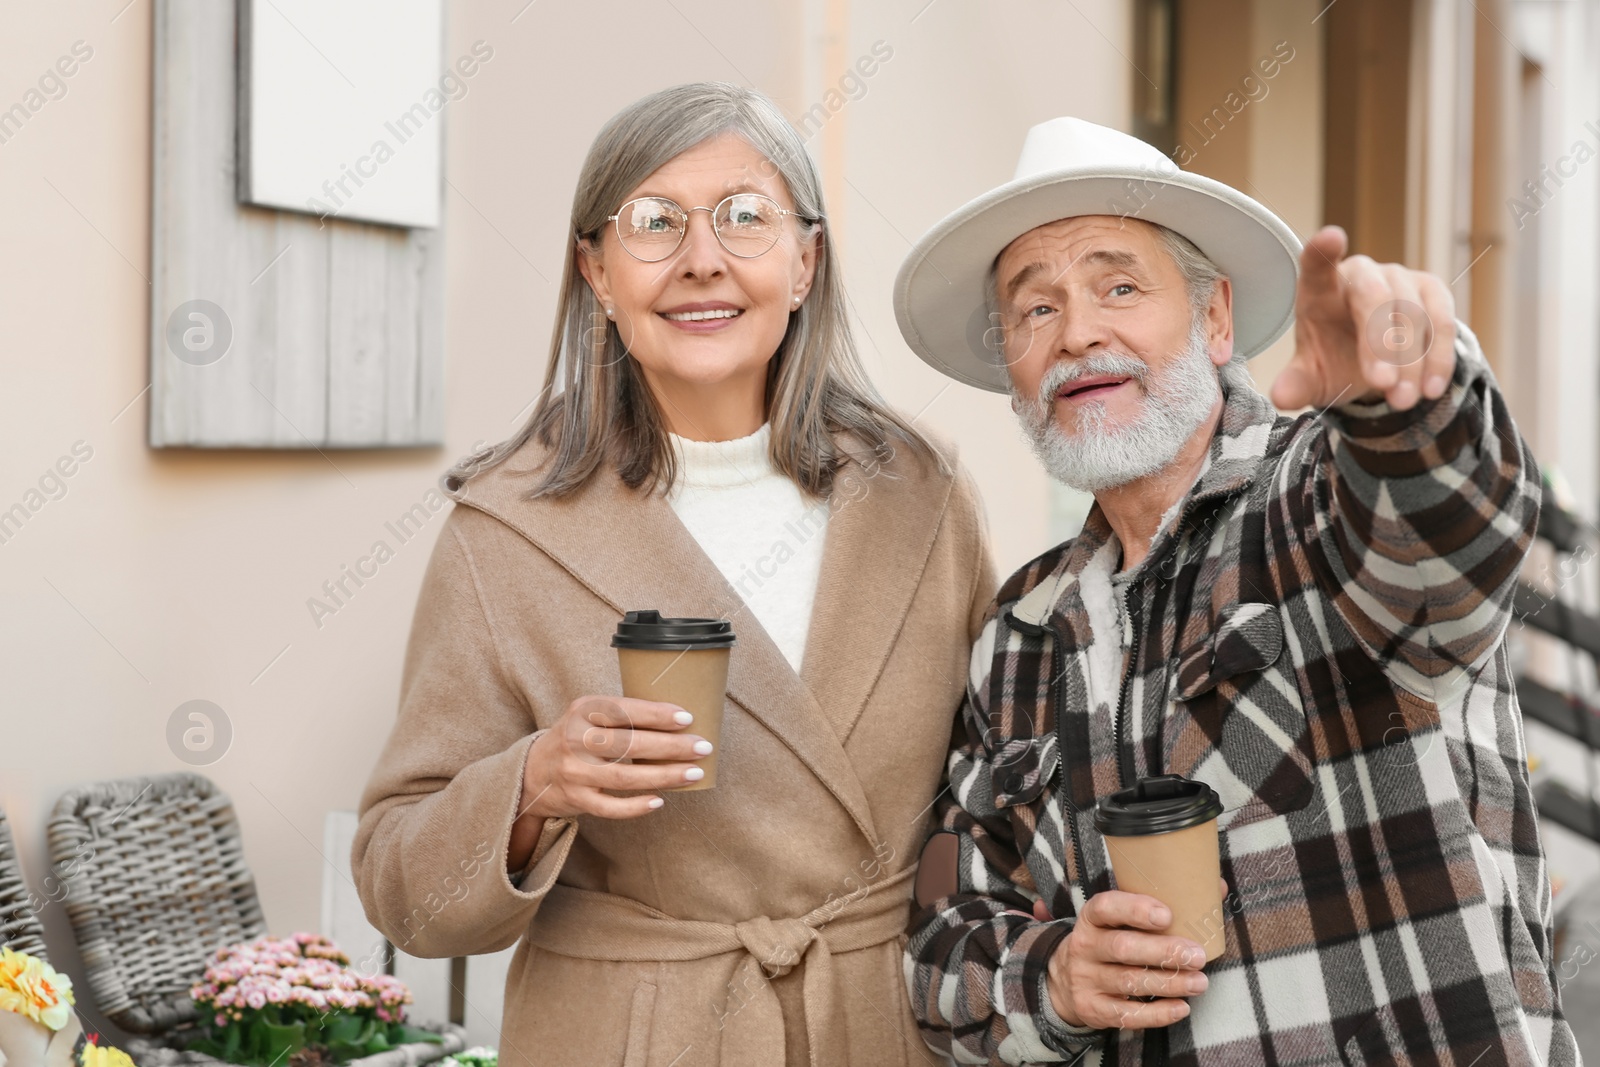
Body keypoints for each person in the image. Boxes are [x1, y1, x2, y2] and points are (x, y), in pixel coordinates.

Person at [897, 117, 1577, 1064]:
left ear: (1215, 318)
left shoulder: (1317, 502)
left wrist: (1404, 409)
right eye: (1034, 309)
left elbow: (1449, 544)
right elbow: (940, 933)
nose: (1079, 333)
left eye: (1119, 286)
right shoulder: (1018, 632)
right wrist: (1050, 976)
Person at [351, 83, 995, 1067]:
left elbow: (1004, 783)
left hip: (884, 1021)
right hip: (630, 1033)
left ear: (805, 261)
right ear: (597, 271)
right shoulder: (507, 529)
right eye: (653, 223)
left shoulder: (923, 489)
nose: (703, 258)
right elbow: (403, 887)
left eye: (745, 216)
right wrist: (533, 786)